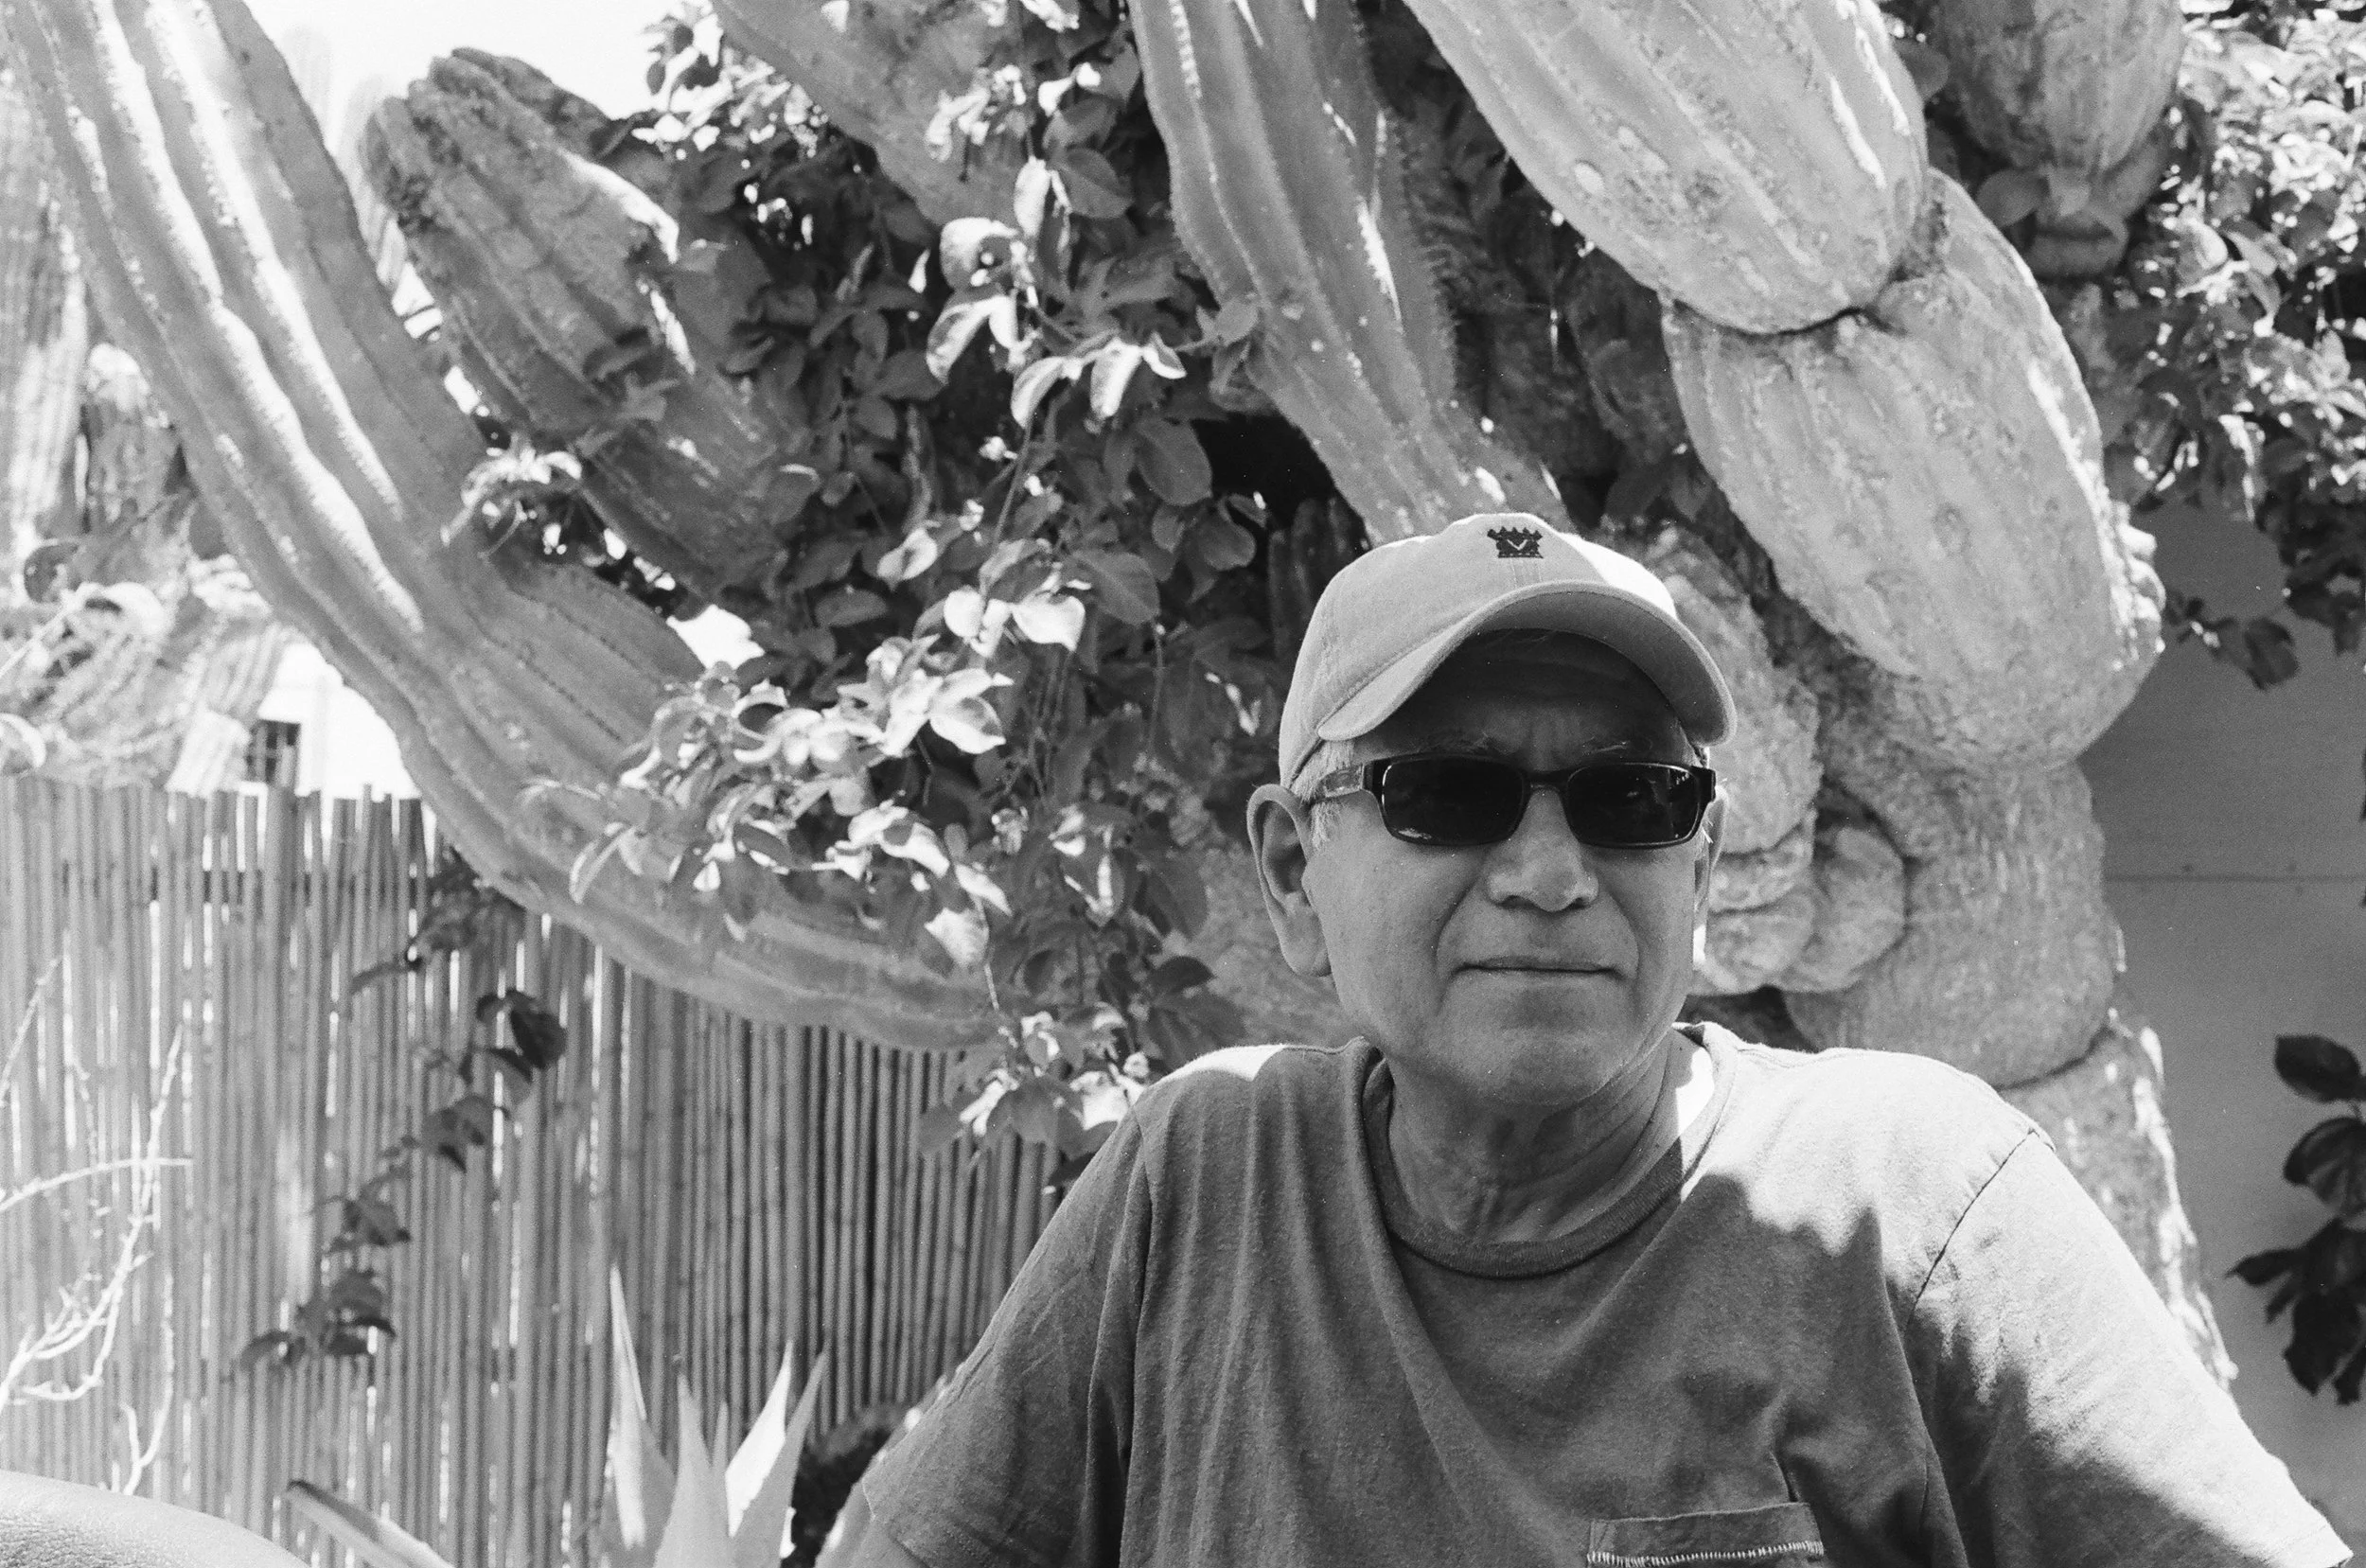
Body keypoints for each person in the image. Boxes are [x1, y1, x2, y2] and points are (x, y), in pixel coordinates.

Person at [844, 512, 2349, 1567]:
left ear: (1701, 868)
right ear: (1293, 873)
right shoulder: (1202, 1181)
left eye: (1634, 800)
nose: (1552, 872)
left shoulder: (1913, 1196)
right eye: (1449, 792)